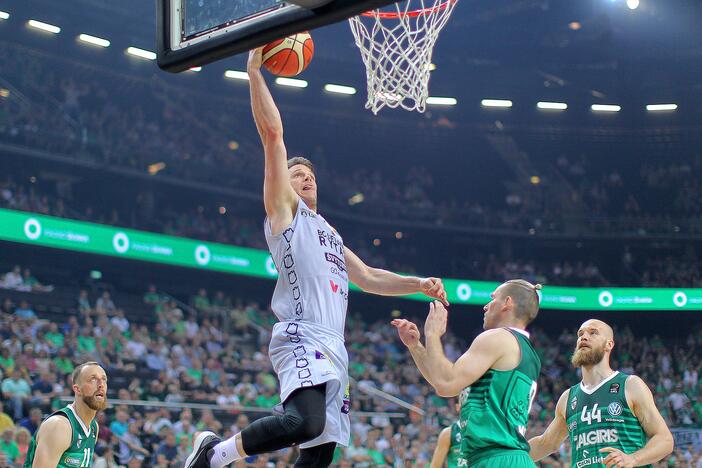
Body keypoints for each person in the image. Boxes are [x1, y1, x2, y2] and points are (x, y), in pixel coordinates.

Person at [184, 47, 448, 468]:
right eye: (297, 173)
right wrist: (255, 71)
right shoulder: (285, 213)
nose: (306, 176)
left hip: (333, 346)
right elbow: (273, 136)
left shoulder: (329, 232)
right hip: (302, 333)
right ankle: (214, 453)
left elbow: (368, 277)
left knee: (320, 453)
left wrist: (418, 284)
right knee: (303, 423)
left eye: (311, 174)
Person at [393, 280, 542, 468]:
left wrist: (432, 333)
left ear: (507, 303)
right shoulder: (527, 351)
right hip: (508, 457)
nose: (485, 306)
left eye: (493, 298)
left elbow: (445, 383)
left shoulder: (498, 337)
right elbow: (444, 383)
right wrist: (415, 347)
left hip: (496, 458)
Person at [528, 319, 674, 468]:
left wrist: (633, 459)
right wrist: (506, 453)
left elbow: (665, 440)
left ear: (609, 344)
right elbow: (545, 443)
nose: (583, 337)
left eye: (593, 333)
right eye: (580, 334)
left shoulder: (630, 385)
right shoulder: (567, 398)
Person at [24, 362, 108, 467]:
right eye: (93, 379)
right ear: (77, 389)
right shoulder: (59, 426)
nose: (101, 385)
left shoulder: (93, 426)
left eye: (104, 379)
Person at [430, 390, 469, 468]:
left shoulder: (484, 430)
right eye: (465, 404)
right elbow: (435, 466)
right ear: (458, 407)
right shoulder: (448, 433)